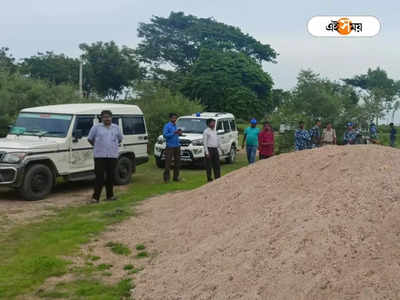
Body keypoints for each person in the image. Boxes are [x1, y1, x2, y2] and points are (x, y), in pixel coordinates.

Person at [88, 110, 123, 203]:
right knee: (99, 177)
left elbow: (120, 139)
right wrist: (98, 146)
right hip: (99, 155)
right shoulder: (96, 128)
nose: (106, 118)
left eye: (108, 117)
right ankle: (95, 198)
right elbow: (90, 139)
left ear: (111, 117)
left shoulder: (116, 128)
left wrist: (111, 146)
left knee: (111, 176)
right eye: (104, 117)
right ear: (101, 118)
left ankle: (110, 196)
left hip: (112, 155)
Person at [163, 113, 182, 183]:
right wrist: (174, 133)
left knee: (177, 163)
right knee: (168, 163)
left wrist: (179, 133)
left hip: (177, 145)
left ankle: (176, 177)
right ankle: (166, 178)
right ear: (170, 118)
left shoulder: (176, 125)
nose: (175, 119)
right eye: (173, 118)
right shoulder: (167, 126)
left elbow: (177, 134)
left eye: (175, 118)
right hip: (170, 146)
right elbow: (165, 135)